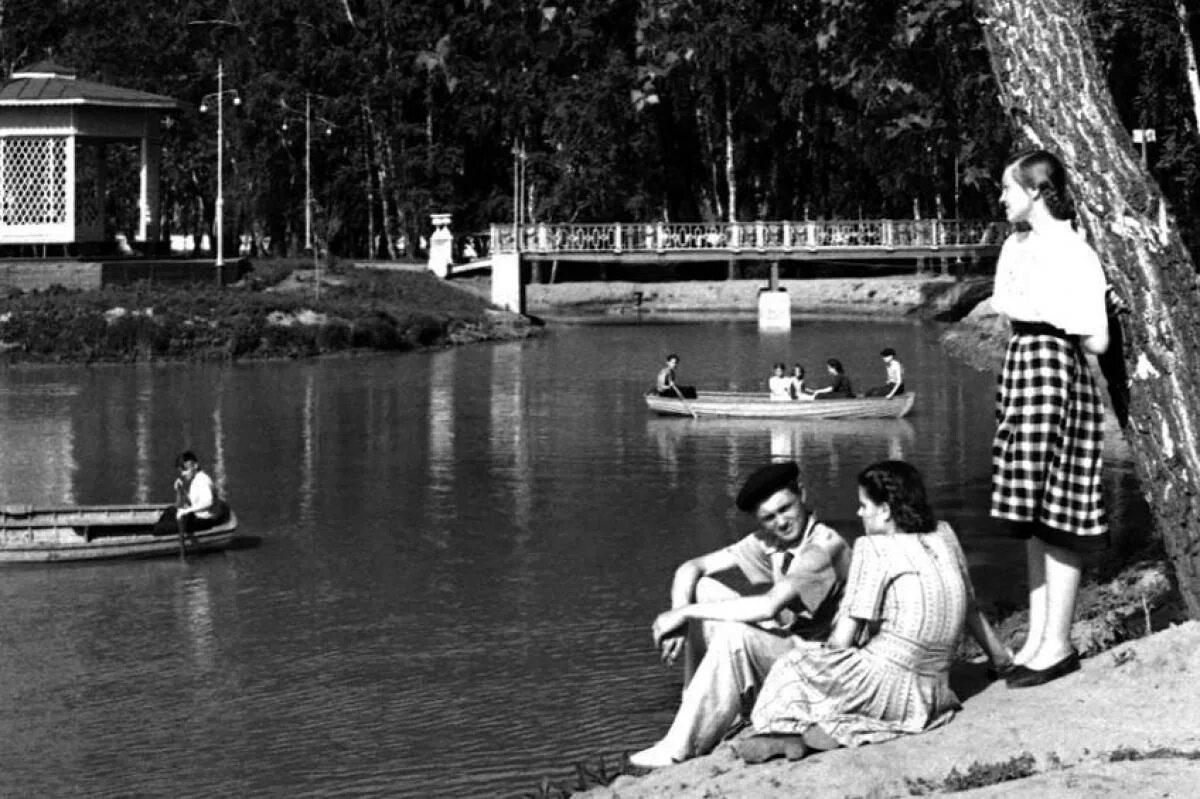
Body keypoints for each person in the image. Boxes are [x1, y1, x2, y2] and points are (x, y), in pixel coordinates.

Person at [735, 460, 1013, 764]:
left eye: (864, 505)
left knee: (792, 665)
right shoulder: (945, 535)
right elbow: (971, 610)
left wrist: (820, 657)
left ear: (885, 509)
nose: (859, 513)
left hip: (885, 685)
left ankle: (785, 730)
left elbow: (843, 641)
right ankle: (828, 729)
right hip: (934, 691)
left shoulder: (872, 548)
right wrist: (1000, 659)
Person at [628, 462, 852, 768]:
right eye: (769, 518)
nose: (781, 522)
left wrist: (683, 613)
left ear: (802, 494)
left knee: (736, 633)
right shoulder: (773, 541)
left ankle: (681, 746)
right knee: (703, 589)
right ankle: (694, 702)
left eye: (786, 508)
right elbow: (692, 568)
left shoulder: (825, 547)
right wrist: (678, 614)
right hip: (791, 650)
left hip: (822, 667)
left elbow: (768, 607)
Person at [990, 150, 1110, 689]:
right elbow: (1008, 304)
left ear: (1036, 190)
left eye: (1008, 188)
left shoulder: (1072, 248)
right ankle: (1038, 638)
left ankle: (1058, 643)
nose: (1002, 197)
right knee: (1031, 512)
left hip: (1054, 370)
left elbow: (1097, 338)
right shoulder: (1017, 245)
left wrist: (1075, 309)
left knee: (1058, 505)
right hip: (1022, 367)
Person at [169, 451, 227, 545]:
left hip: (207, 520)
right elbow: (192, 503)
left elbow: (208, 502)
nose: (183, 474)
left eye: (185, 470)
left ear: (195, 466)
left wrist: (186, 511)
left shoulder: (203, 480)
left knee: (167, 526)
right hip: (198, 516)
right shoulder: (195, 480)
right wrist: (181, 490)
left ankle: (155, 535)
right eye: (181, 471)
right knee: (170, 511)